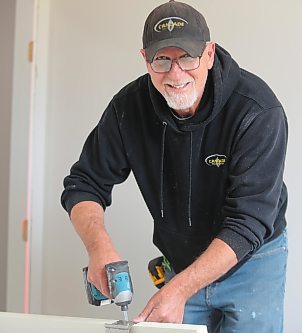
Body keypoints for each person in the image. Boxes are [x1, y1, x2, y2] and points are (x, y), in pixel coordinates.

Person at [61, 1, 288, 332]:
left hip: (252, 263)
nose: (175, 73)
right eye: (162, 60)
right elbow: (83, 184)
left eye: (187, 57)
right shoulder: (128, 109)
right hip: (180, 261)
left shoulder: (257, 111)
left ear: (209, 54)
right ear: (145, 60)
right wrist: (99, 247)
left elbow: (248, 223)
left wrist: (180, 288)